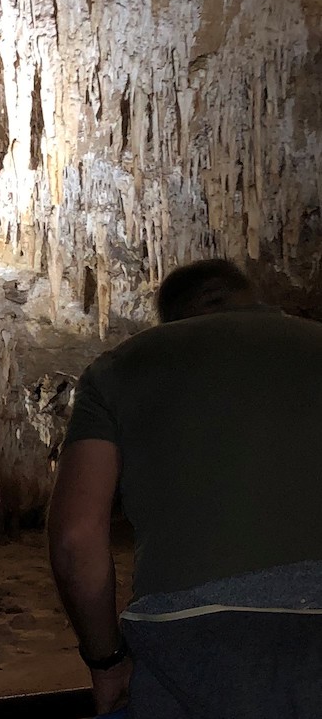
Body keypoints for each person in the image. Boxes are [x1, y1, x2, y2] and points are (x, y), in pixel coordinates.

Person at [49, 259, 322, 717]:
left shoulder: (120, 368)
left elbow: (76, 538)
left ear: (171, 320)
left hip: (192, 633)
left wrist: (107, 661)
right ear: (251, 298)